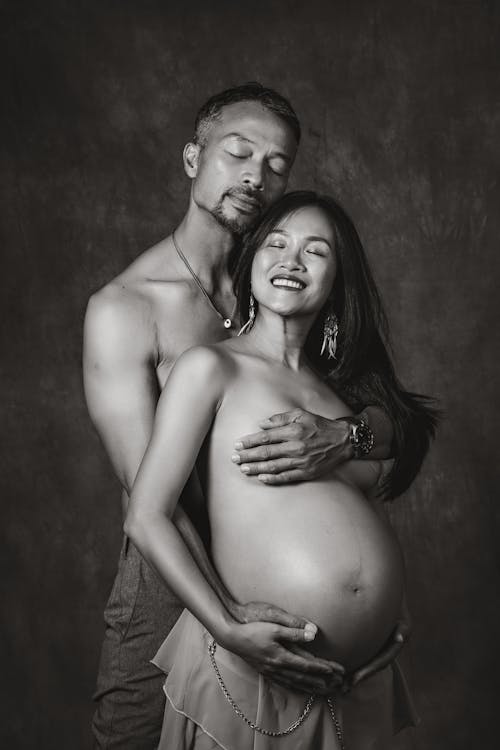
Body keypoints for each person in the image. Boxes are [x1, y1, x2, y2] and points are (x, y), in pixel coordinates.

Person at [83, 84, 431, 748]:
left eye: (278, 164)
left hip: (280, 573)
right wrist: (230, 620)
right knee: (135, 736)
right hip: (175, 571)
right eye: (238, 153)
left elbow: (396, 426)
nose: (256, 175)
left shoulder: (292, 291)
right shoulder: (127, 307)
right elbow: (152, 499)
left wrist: (344, 436)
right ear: (193, 158)